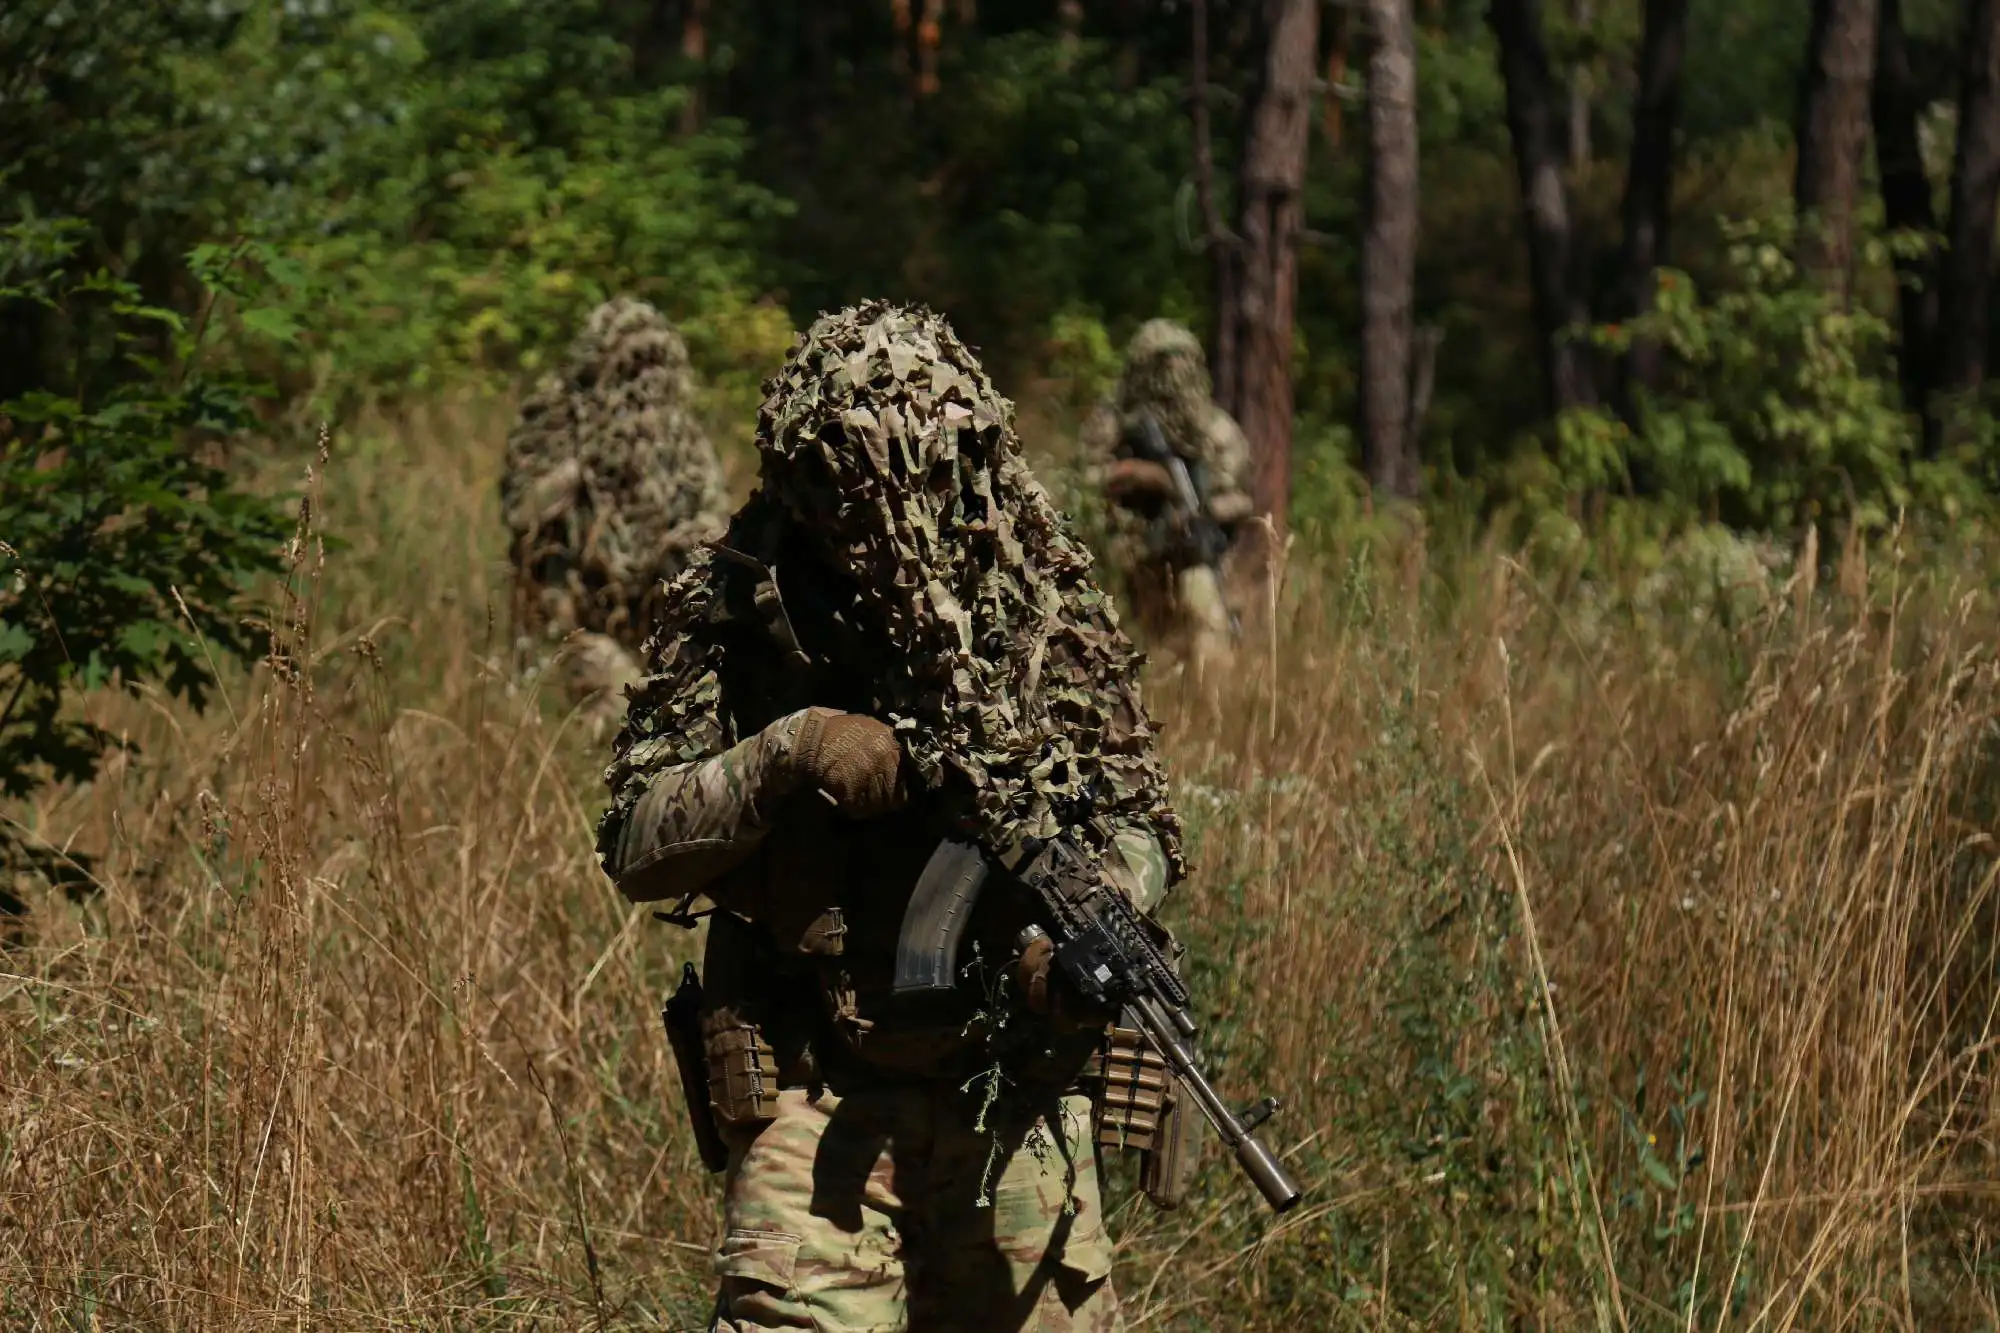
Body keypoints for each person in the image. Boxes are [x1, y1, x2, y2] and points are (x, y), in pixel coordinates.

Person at [597, 302, 1190, 1332]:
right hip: (811, 1085)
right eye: (854, 489)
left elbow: (1139, 820)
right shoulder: (738, 602)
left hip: (1008, 1092)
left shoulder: (1043, 603)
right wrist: (787, 752)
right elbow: (637, 839)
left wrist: (1085, 933)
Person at [500, 297, 729, 729]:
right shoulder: (557, 421)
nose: (644, 385)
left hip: (660, 615)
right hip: (581, 622)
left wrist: (692, 541)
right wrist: (573, 476)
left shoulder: (681, 438)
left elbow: (713, 515)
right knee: (617, 717)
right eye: (632, 369)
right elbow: (522, 515)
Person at [1078, 320, 1256, 678]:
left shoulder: (1216, 433)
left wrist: (1201, 513)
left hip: (1190, 558)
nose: (1170, 382)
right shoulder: (1113, 421)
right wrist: (1141, 476)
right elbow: (1083, 483)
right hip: (1121, 560)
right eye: (1160, 369)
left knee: (1208, 635)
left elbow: (1238, 499)